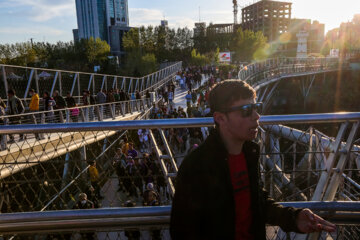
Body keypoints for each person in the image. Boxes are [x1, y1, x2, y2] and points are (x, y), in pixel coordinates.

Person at [170, 80, 336, 240]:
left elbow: (257, 203)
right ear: (220, 118)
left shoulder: (249, 153)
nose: (257, 116)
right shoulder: (197, 166)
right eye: (246, 110)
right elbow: (182, 230)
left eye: (256, 107)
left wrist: (293, 218)